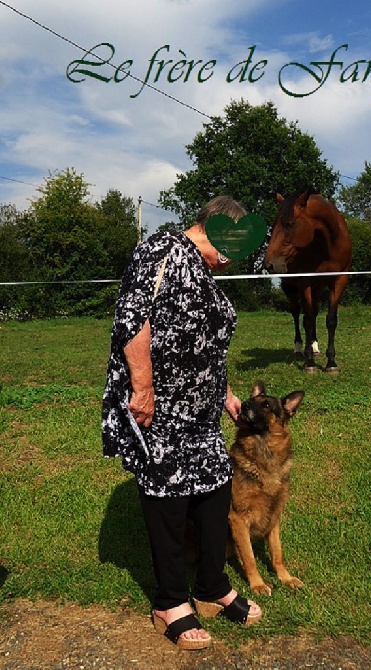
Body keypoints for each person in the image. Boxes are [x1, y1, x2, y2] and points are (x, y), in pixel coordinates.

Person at [101, 196, 262, 651]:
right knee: (168, 498)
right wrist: (142, 388)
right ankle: (170, 601)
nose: (236, 259)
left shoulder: (202, 271)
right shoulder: (162, 250)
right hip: (161, 404)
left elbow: (208, 343)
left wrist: (225, 393)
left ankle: (211, 587)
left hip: (202, 411)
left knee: (215, 488)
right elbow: (132, 320)